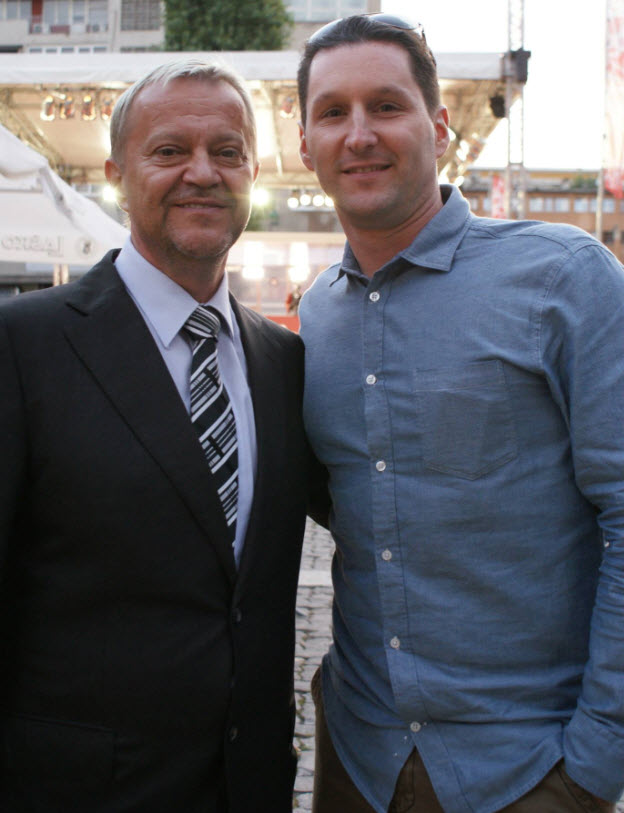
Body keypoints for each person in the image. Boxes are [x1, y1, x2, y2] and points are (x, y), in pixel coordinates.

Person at [297, 14, 624, 813]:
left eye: (387, 105)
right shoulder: (316, 318)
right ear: (305, 145)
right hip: (358, 759)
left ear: (441, 128)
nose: (360, 133)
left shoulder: (564, 278)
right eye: (332, 112)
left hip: (528, 768)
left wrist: (594, 762)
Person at [0, 59, 309, 812]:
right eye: (170, 151)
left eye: (227, 151)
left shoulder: (285, 363)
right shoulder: (22, 345)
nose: (202, 173)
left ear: (254, 171)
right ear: (115, 172)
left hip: (250, 785)